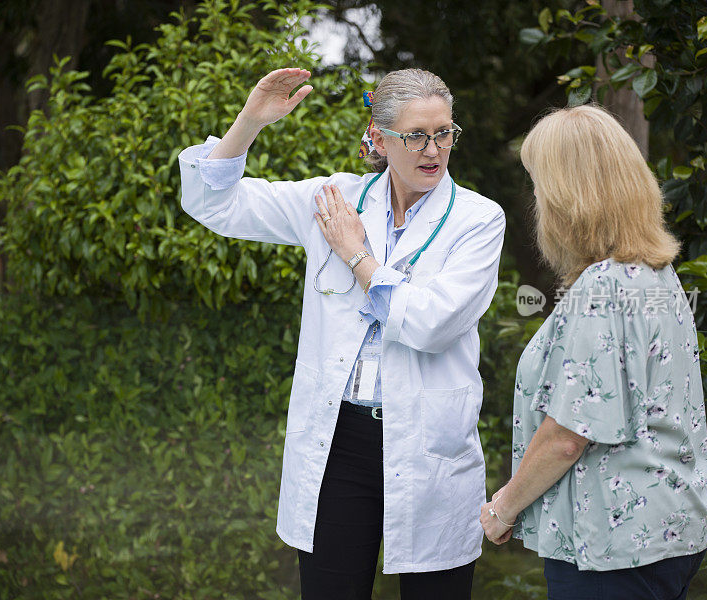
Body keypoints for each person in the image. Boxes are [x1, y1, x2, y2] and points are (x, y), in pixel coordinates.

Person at [178, 67, 505, 599]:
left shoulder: (478, 219)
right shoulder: (334, 201)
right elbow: (214, 203)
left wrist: (358, 257)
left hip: (426, 442)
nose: (433, 149)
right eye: (416, 135)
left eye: (444, 133)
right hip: (339, 442)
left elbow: (432, 322)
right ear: (378, 138)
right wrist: (250, 122)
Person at [480, 104, 707, 600]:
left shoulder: (603, 287)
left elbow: (569, 435)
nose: (537, 198)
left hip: (612, 553)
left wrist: (503, 506)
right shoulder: (654, 274)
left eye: (540, 184)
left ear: (568, 198)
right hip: (669, 533)